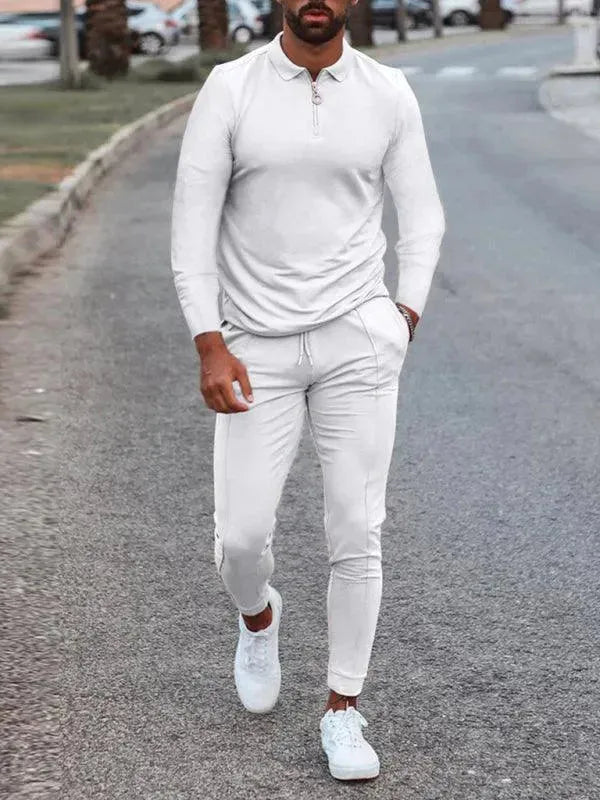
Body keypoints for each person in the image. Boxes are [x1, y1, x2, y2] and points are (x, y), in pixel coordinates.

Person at [170, 0, 445, 782]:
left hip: (357, 339)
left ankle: (343, 709)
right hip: (254, 346)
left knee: (357, 527)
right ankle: (259, 618)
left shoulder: (388, 92)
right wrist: (210, 342)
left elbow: (421, 215)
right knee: (241, 538)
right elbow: (191, 229)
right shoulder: (231, 89)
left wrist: (404, 314)